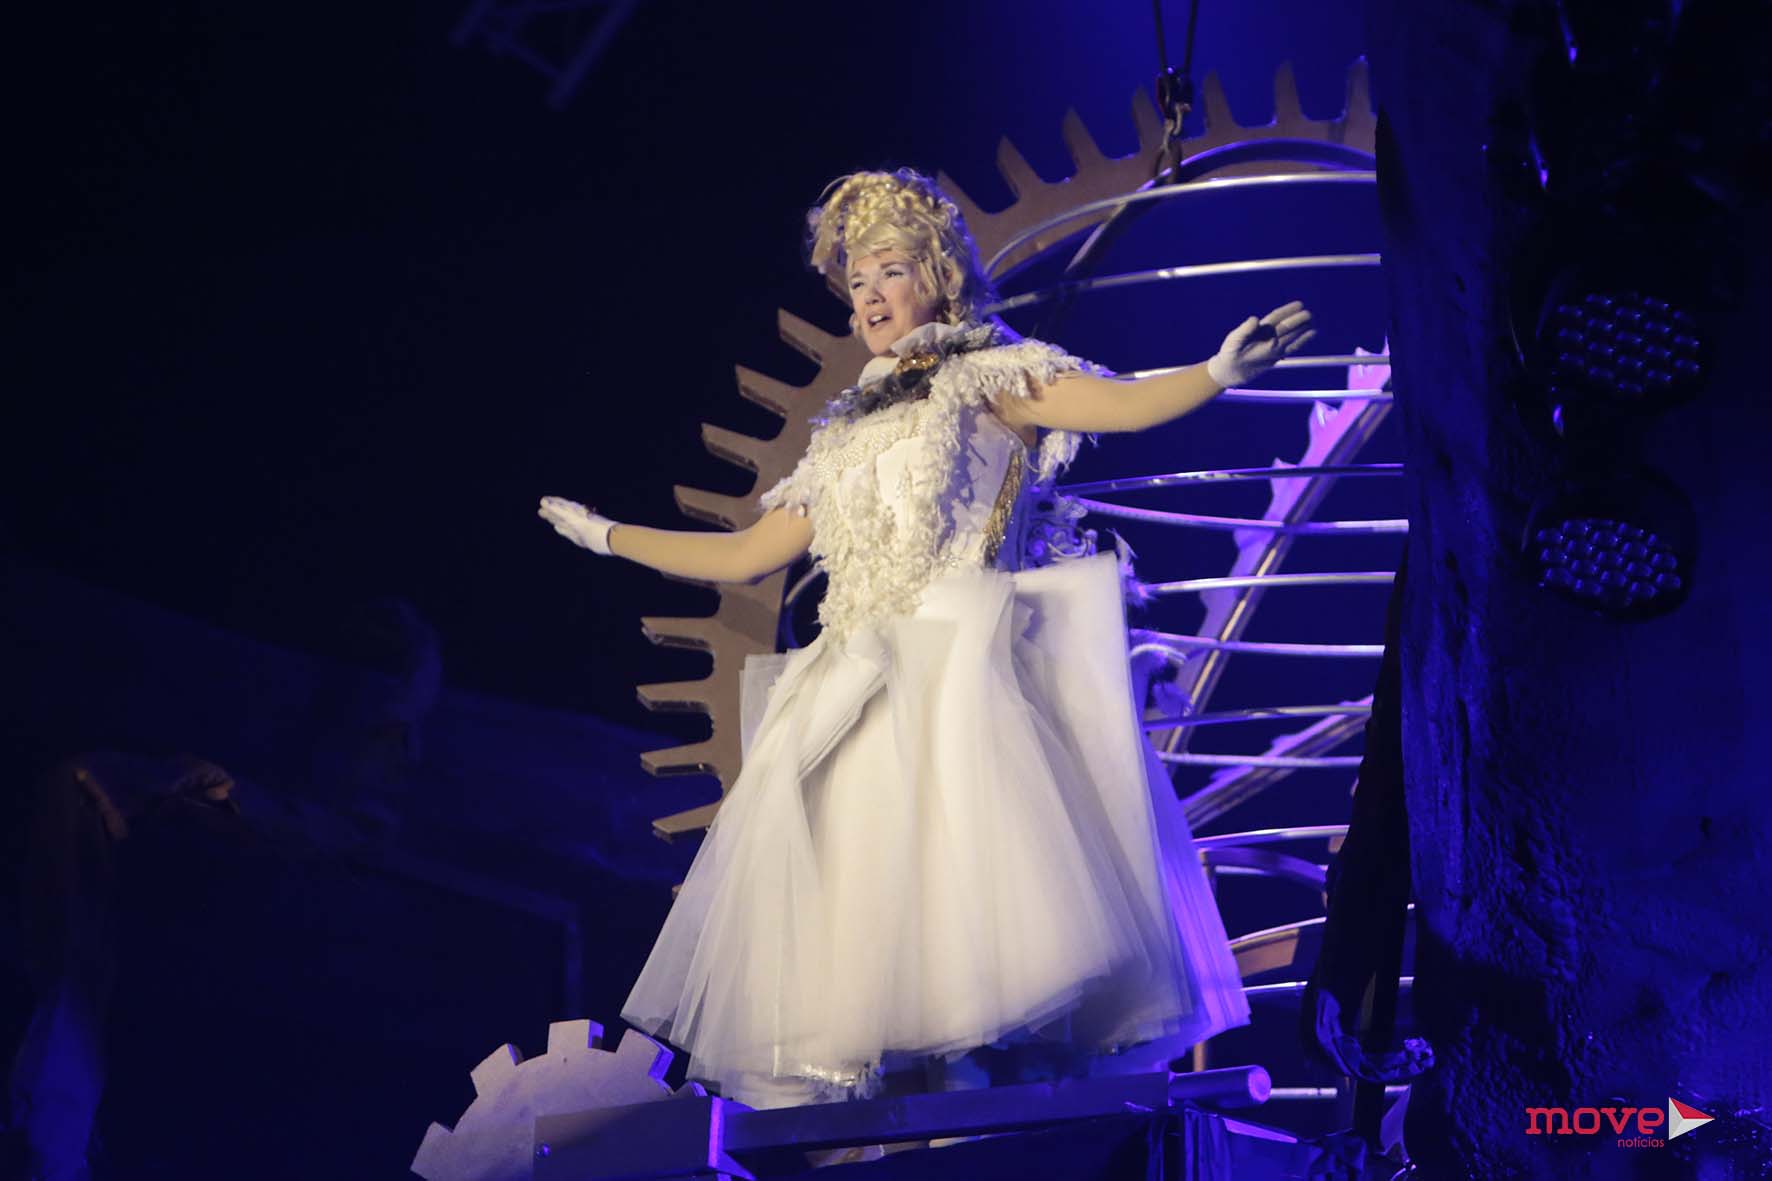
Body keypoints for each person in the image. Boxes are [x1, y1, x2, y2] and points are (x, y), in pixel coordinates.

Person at [538, 168, 1315, 1110]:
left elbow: (1117, 403)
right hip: (856, 695)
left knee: (982, 956)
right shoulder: (840, 435)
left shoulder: (989, 378)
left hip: (962, 685)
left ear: (937, 277)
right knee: (872, 962)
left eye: (891, 271)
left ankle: (1001, 1130)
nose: (869, 296)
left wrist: (1214, 375)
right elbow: (747, 553)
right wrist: (609, 537)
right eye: (857, 279)